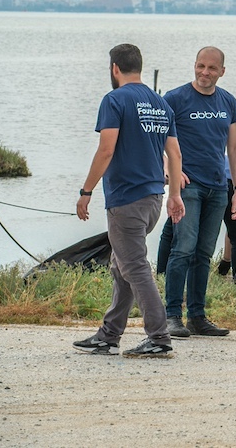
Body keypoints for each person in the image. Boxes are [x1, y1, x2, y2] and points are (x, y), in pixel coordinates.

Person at [73, 44, 185, 358]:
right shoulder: (160, 103)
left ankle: (159, 337)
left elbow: (106, 150)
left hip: (126, 200)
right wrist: (174, 194)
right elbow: (174, 154)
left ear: (114, 68)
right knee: (121, 265)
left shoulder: (114, 100)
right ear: (139, 65)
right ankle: (108, 336)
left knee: (134, 267)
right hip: (153, 199)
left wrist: (86, 191)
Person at [160, 47, 236, 339]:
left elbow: (234, 148)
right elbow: (157, 139)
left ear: (222, 71)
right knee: (182, 249)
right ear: (194, 66)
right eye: (200, 66)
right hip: (188, 187)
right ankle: (171, 316)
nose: (204, 73)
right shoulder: (174, 99)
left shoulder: (228, 102)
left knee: (203, 253)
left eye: (211, 68)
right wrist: (170, 170)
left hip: (218, 188)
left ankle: (197, 317)